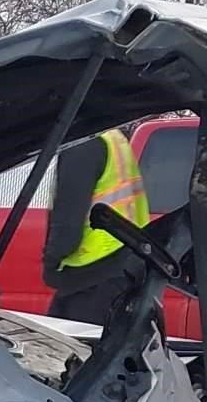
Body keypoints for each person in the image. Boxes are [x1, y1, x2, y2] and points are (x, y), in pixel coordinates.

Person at [44, 122, 149, 325]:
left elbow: (68, 228)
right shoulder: (113, 139)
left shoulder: (82, 145)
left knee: (68, 350)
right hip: (123, 266)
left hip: (92, 278)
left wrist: (51, 260)